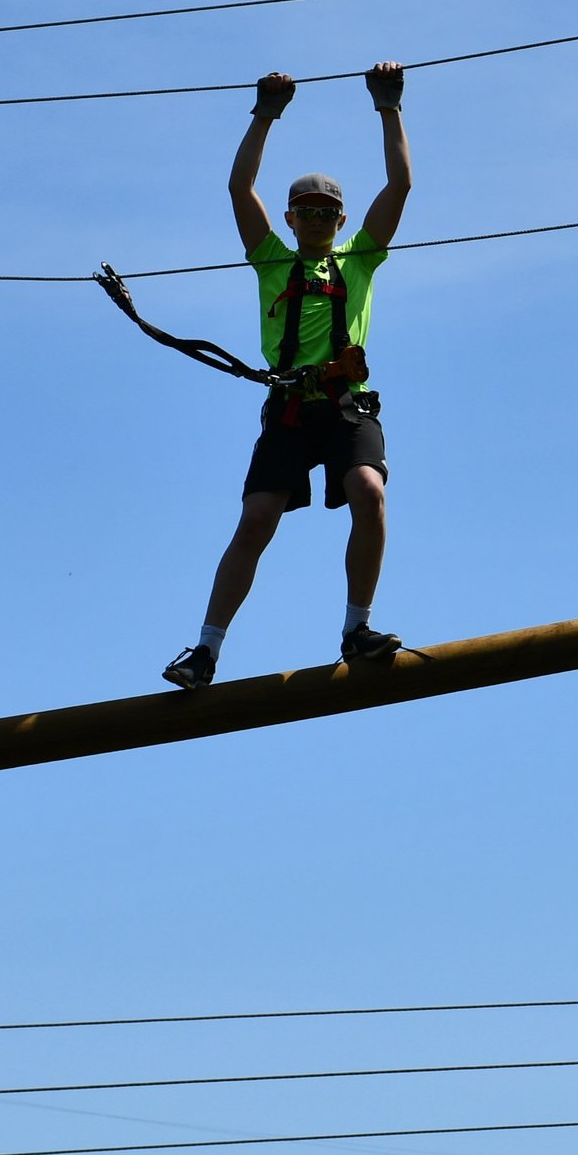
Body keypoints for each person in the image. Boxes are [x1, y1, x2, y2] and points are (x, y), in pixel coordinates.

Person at [164, 62, 412, 689]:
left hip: (348, 405)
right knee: (256, 518)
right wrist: (265, 113)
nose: (319, 219)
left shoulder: (359, 261)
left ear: (341, 220)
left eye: (329, 211)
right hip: (290, 410)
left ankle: (358, 628)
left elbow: (400, 186)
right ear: (292, 217)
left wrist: (389, 105)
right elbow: (238, 187)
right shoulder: (272, 260)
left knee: (369, 491)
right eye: (306, 210)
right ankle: (206, 650)